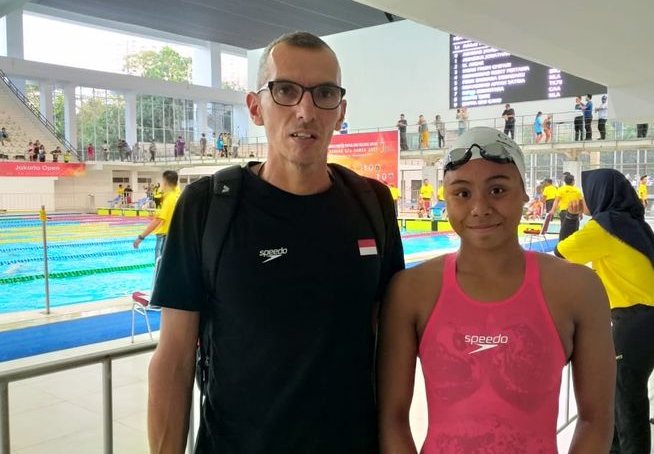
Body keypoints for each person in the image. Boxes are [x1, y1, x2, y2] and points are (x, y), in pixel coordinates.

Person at [147, 31, 404, 454]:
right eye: (285, 90)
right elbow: (174, 359)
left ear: (340, 111)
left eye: (323, 93)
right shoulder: (206, 207)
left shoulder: (372, 203)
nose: (306, 111)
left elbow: (391, 343)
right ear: (256, 107)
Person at [378, 127, 615, 454]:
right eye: (462, 193)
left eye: (498, 189)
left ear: (524, 194)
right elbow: (391, 419)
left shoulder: (577, 289)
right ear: (444, 200)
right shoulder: (411, 291)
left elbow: (597, 418)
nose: (479, 208)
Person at [555, 168, 654, 454]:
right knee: (620, 396)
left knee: (627, 399)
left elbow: (562, 255)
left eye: (587, 194)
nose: (583, 199)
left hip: (635, 321)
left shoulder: (605, 227)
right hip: (651, 321)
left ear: (601, 194)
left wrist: (570, 217)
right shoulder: (631, 224)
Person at [133, 170, 180, 270]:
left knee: (160, 268)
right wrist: (156, 215)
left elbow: (158, 221)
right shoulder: (178, 195)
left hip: (164, 237)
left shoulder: (169, 198)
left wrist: (140, 237)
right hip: (175, 236)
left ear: (165, 183)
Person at [548, 172, 583, 242]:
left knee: (564, 229)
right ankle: (573, 243)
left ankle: (562, 244)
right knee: (575, 229)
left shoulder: (561, 190)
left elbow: (556, 201)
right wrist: (581, 212)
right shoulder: (577, 190)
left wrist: (552, 210)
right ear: (573, 181)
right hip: (574, 212)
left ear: (565, 181)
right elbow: (581, 203)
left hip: (564, 212)